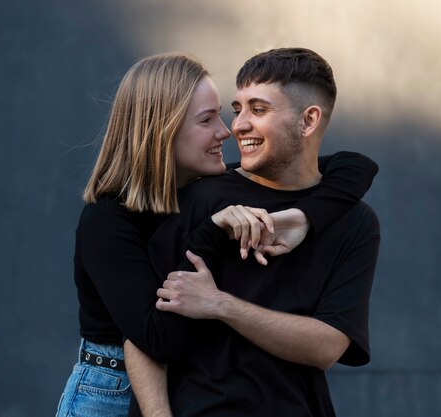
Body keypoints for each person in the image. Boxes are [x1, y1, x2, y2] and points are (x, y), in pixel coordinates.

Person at [56, 53, 378, 417]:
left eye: (253, 110)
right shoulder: (114, 219)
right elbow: (153, 338)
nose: (230, 129)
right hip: (107, 390)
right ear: (164, 129)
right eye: (211, 118)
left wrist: (306, 216)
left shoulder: (206, 193)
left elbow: (348, 166)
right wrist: (209, 237)